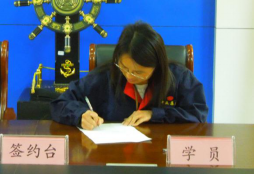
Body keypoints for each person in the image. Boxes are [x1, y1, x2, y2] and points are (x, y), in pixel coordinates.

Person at [51, 22, 208, 130]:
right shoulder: (104, 76)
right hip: (113, 154)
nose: (129, 76)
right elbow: (59, 104)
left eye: (138, 72)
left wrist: (154, 114)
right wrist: (80, 115)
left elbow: (198, 114)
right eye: (124, 67)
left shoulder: (180, 78)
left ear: (157, 65)